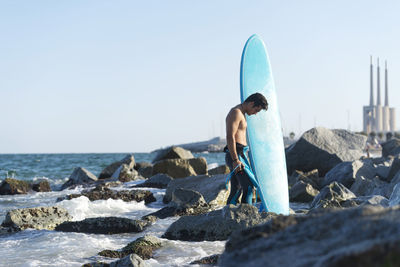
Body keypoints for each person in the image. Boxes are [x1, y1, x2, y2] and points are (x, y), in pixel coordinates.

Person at [224, 92, 268, 204]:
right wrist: (235, 160)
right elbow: (230, 137)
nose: (255, 114)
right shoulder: (236, 113)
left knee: (237, 188)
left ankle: (229, 217)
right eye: (256, 110)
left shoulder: (241, 113)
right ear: (251, 103)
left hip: (240, 154)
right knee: (248, 188)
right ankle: (246, 217)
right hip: (236, 154)